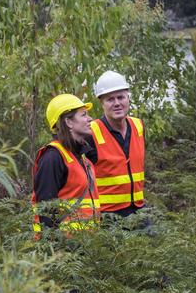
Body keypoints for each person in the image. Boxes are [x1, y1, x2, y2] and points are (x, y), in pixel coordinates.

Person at [32, 94, 100, 234]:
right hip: (64, 249)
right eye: (83, 115)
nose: (90, 119)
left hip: (88, 247)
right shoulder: (52, 158)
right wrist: (56, 251)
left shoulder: (82, 157)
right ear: (68, 122)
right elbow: (46, 211)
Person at [87, 70, 146, 218]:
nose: (117, 103)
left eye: (121, 97)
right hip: (107, 216)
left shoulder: (138, 126)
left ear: (128, 98)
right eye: (110, 99)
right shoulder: (91, 132)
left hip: (138, 209)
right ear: (101, 103)